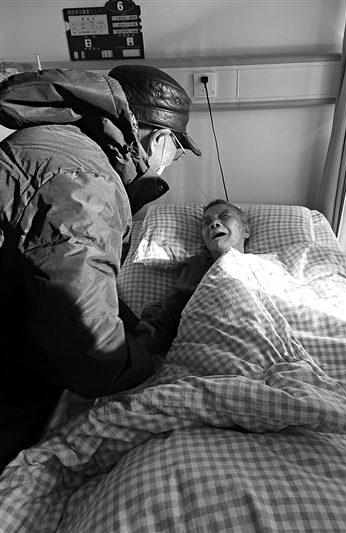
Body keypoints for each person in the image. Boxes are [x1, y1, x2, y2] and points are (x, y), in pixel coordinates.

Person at [0, 65, 201, 471]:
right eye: (177, 152)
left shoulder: (55, 144)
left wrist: (129, 323)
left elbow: (61, 272)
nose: (173, 162)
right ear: (159, 139)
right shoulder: (85, 185)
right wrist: (144, 357)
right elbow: (84, 346)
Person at [135, 200, 251, 355]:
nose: (214, 223)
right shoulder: (196, 267)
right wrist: (135, 348)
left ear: (246, 230)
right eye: (207, 222)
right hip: (206, 352)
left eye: (224, 216)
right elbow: (165, 325)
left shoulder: (271, 265)